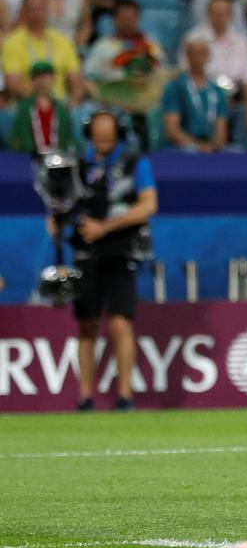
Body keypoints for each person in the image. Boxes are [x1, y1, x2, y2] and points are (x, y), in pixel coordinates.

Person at [53, 110, 157, 412]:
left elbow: (148, 205)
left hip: (122, 250)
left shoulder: (136, 163)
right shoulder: (80, 165)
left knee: (120, 323)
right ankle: (84, 397)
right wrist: (58, 221)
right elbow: (64, 205)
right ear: (89, 134)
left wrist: (106, 227)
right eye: (97, 136)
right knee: (86, 324)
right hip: (86, 253)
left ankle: (125, 395)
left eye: (109, 136)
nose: (103, 142)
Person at [2, 0, 85, 106]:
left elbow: (76, 81)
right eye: (32, 9)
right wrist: (42, 103)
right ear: (24, 12)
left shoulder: (63, 41)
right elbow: (13, 84)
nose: (37, 13)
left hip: (61, 103)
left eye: (41, 8)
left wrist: (72, 103)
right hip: (26, 104)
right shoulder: (13, 42)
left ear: (48, 11)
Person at [182, 0, 247, 101]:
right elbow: (185, 72)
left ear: (231, 16)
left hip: (234, 98)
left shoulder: (241, 42)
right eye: (216, 13)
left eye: (224, 13)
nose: (220, 17)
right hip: (201, 97)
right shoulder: (194, 38)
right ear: (208, 14)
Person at [161, 38, 230, 152]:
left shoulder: (217, 91)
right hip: (185, 146)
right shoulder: (176, 87)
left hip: (211, 147)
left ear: (208, 56)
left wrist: (213, 146)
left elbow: (221, 130)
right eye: (193, 54)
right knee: (189, 150)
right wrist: (198, 146)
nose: (198, 58)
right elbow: (172, 130)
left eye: (201, 54)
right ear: (187, 56)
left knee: (236, 151)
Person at [8, 62, 80, 155]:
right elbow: (19, 139)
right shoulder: (24, 108)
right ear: (32, 81)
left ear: (53, 79)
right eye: (38, 77)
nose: (42, 81)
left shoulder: (61, 109)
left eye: (47, 77)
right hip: (32, 159)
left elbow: (69, 138)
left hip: (57, 159)